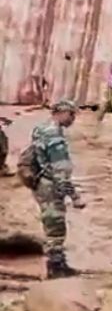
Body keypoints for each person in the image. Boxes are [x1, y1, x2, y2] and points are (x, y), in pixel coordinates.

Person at [25, 101, 83, 279]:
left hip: (40, 182)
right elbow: (61, 171)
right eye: (71, 115)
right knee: (56, 226)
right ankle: (56, 267)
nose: (73, 119)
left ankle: (57, 264)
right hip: (50, 185)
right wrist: (74, 196)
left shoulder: (40, 128)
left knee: (50, 223)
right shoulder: (55, 136)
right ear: (62, 112)